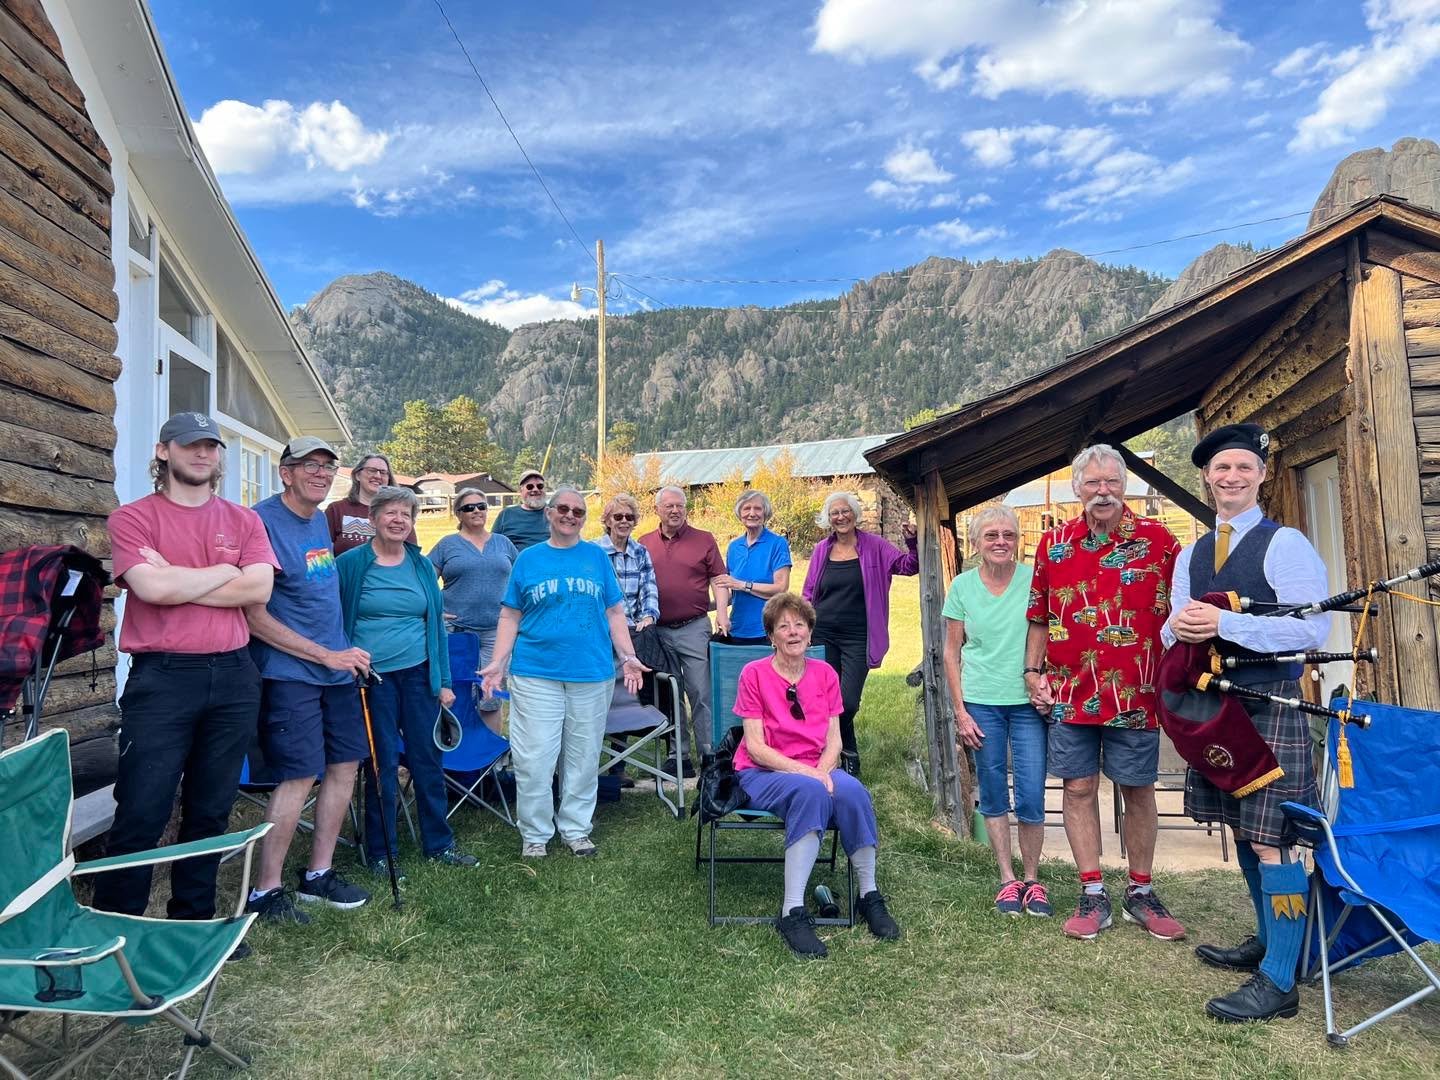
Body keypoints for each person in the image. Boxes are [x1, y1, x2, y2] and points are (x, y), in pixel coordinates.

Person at [1164, 424, 1330, 1024]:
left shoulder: (1285, 545)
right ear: (1206, 478)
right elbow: (1175, 623)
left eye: (1242, 467)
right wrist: (1178, 630)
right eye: (1219, 469)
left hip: (1271, 704)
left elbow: (1311, 630)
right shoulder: (1194, 551)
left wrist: (1223, 626)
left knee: (1274, 839)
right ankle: (1270, 943)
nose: (1230, 477)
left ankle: (1280, 981)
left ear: (1261, 474)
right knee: (1244, 831)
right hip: (1218, 709)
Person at [94, 412, 277, 924]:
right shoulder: (132, 518)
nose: (203, 454)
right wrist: (224, 570)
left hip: (234, 676)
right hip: (163, 678)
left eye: (212, 447)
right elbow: (153, 591)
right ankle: (117, 924)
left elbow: (257, 589)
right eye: (190, 445)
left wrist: (179, 576)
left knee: (211, 808)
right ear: (163, 451)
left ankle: (193, 919)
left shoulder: (244, 520)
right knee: (141, 809)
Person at [1023, 444, 1184, 943]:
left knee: (1138, 788)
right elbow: (1040, 616)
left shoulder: (1162, 544)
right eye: (1092, 484)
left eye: (1111, 482)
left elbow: (1186, 615)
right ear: (1078, 490)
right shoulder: (1054, 546)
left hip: (1137, 691)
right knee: (1077, 789)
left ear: (1125, 485)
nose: (1102, 492)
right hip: (1072, 691)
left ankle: (1141, 890)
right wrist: (1032, 672)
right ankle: (1092, 892)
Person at [243, 437, 373, 924]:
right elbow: (255, 616)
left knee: (345, 766)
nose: (321, 473)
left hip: (337, 669)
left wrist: (345, 654)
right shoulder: (260, 522)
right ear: (286, 473)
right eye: (309, 465)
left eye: (328, 466)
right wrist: (327, 655)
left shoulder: (319, 519)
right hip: (290, 673)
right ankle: (265, 890)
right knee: (298, 774)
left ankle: (318, 874)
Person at [479, 487, 647, 858]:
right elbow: (511, 614)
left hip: (591, 672)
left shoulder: (596, 558)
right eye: (564, 509)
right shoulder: (528, 559)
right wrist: (498, 660)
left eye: (579, 511)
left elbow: (615, 612)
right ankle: (535, 833)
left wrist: (629, 655)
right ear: (550, 514)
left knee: (583, 755)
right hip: (535, 671)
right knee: (535, 756)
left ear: (584, 519)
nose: (571, 515)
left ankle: (576, 829)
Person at [733, 592, 900, 958]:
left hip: (817, 766)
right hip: (764, 771)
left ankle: (868, 896)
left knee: (853, 791)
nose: (793, 632)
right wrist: (810, 775)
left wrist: (822, 771)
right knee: (810, 793)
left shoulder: (825, 674)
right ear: (771, 636)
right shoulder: (754, 674)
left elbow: (835, 739)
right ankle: (792, 912)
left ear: (810, 633)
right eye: (783, 626)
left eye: (800, 625)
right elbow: (757, 748)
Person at [336, 486, 476, 874]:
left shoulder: (419, 564)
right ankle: (382, 852)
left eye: (406, 514)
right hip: (371, 680)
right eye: (391, 513)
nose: (398, 520)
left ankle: (439, 844)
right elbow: (333, 619)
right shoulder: (350, 564)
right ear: (374, 519)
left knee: (427, 760)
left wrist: (443, 681)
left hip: (418, 674)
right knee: (381, 765)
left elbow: (435, 627)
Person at [944, 506, 1051, 918]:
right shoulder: (963, 588)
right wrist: (960, 711)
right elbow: (951, 653)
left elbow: (1049, 635)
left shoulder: (1033, 581)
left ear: (1018, 540)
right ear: (976, 543)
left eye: (1008, 534)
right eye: (991, 536)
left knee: (1030, 791)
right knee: (991, 790)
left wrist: (1042, 678)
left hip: (1026, 704)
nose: (1001, 542)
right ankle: (1007, 878)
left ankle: (1033, 878)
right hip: (981, 702)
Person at [801, 492, 918, 779]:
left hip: (859, 635)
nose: (840, 517)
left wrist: (913, 542)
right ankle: (848, 753)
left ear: (855, 514)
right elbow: (807, 592)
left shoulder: (874, 546)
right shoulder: (821, 550)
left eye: (845, 511)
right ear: (828, 519)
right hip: (823, 633)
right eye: (834, 513)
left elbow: (908, 566)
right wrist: (802, 627)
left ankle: (840, 748)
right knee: (826, 699)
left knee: (848, 701)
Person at [640, 486, 730, 775]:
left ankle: (708, 753)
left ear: (686, 509)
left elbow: (719, 579)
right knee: (670, 694)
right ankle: (678, 754)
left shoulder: (703, 539)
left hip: (693, 627)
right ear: (657, 510)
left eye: (680, 505)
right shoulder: (644, 543)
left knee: (701, 692)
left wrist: (723, 616)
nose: (675, 510)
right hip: (658, 632)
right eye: (669, 506)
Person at [428, 488, 518, 732]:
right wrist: (434, 609)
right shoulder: (447, 545)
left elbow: (520, 582)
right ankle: (454, 753)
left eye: (481, 505)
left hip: (495, 633)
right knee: (456, 694)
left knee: (491, 696)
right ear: (458, 513)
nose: (477, 511)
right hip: (456, 631)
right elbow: (424, 582)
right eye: (469, 507)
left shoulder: (503, 544)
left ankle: (489, 760)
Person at [716, 489, 792, 646]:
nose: (752, 513)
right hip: (737, 628)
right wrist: (711, 606)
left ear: (765, 513)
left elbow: (781, 588)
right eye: (746, 508)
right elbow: (733, 591)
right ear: (740, 514)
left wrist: (742, 584)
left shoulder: (777, 543)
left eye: (757, 508)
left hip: (768, 630)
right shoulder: (734, 546)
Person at [325, 453, 415, 555]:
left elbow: (412, 554)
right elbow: (323, 552)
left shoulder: (399, 515)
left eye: (383, 472)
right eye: (371, 470)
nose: (377, 476)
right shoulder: (336, 510)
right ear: (358, 475)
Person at [594, 493, 659, 632]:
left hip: (632, 629)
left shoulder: (640, 552)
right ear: (607, 521)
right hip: (600, 628)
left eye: (629, 517)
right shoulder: (594, 551)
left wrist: (648, 617)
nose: (624, 521)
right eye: (618, 517)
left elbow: (648, 588)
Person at [493, 468, 551, 552]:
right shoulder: (506, 514)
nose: (535, 489)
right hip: (515, 563)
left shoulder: (555, 513)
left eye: (540, 486)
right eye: (529, 486)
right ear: (521, 491)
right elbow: (493, 545)